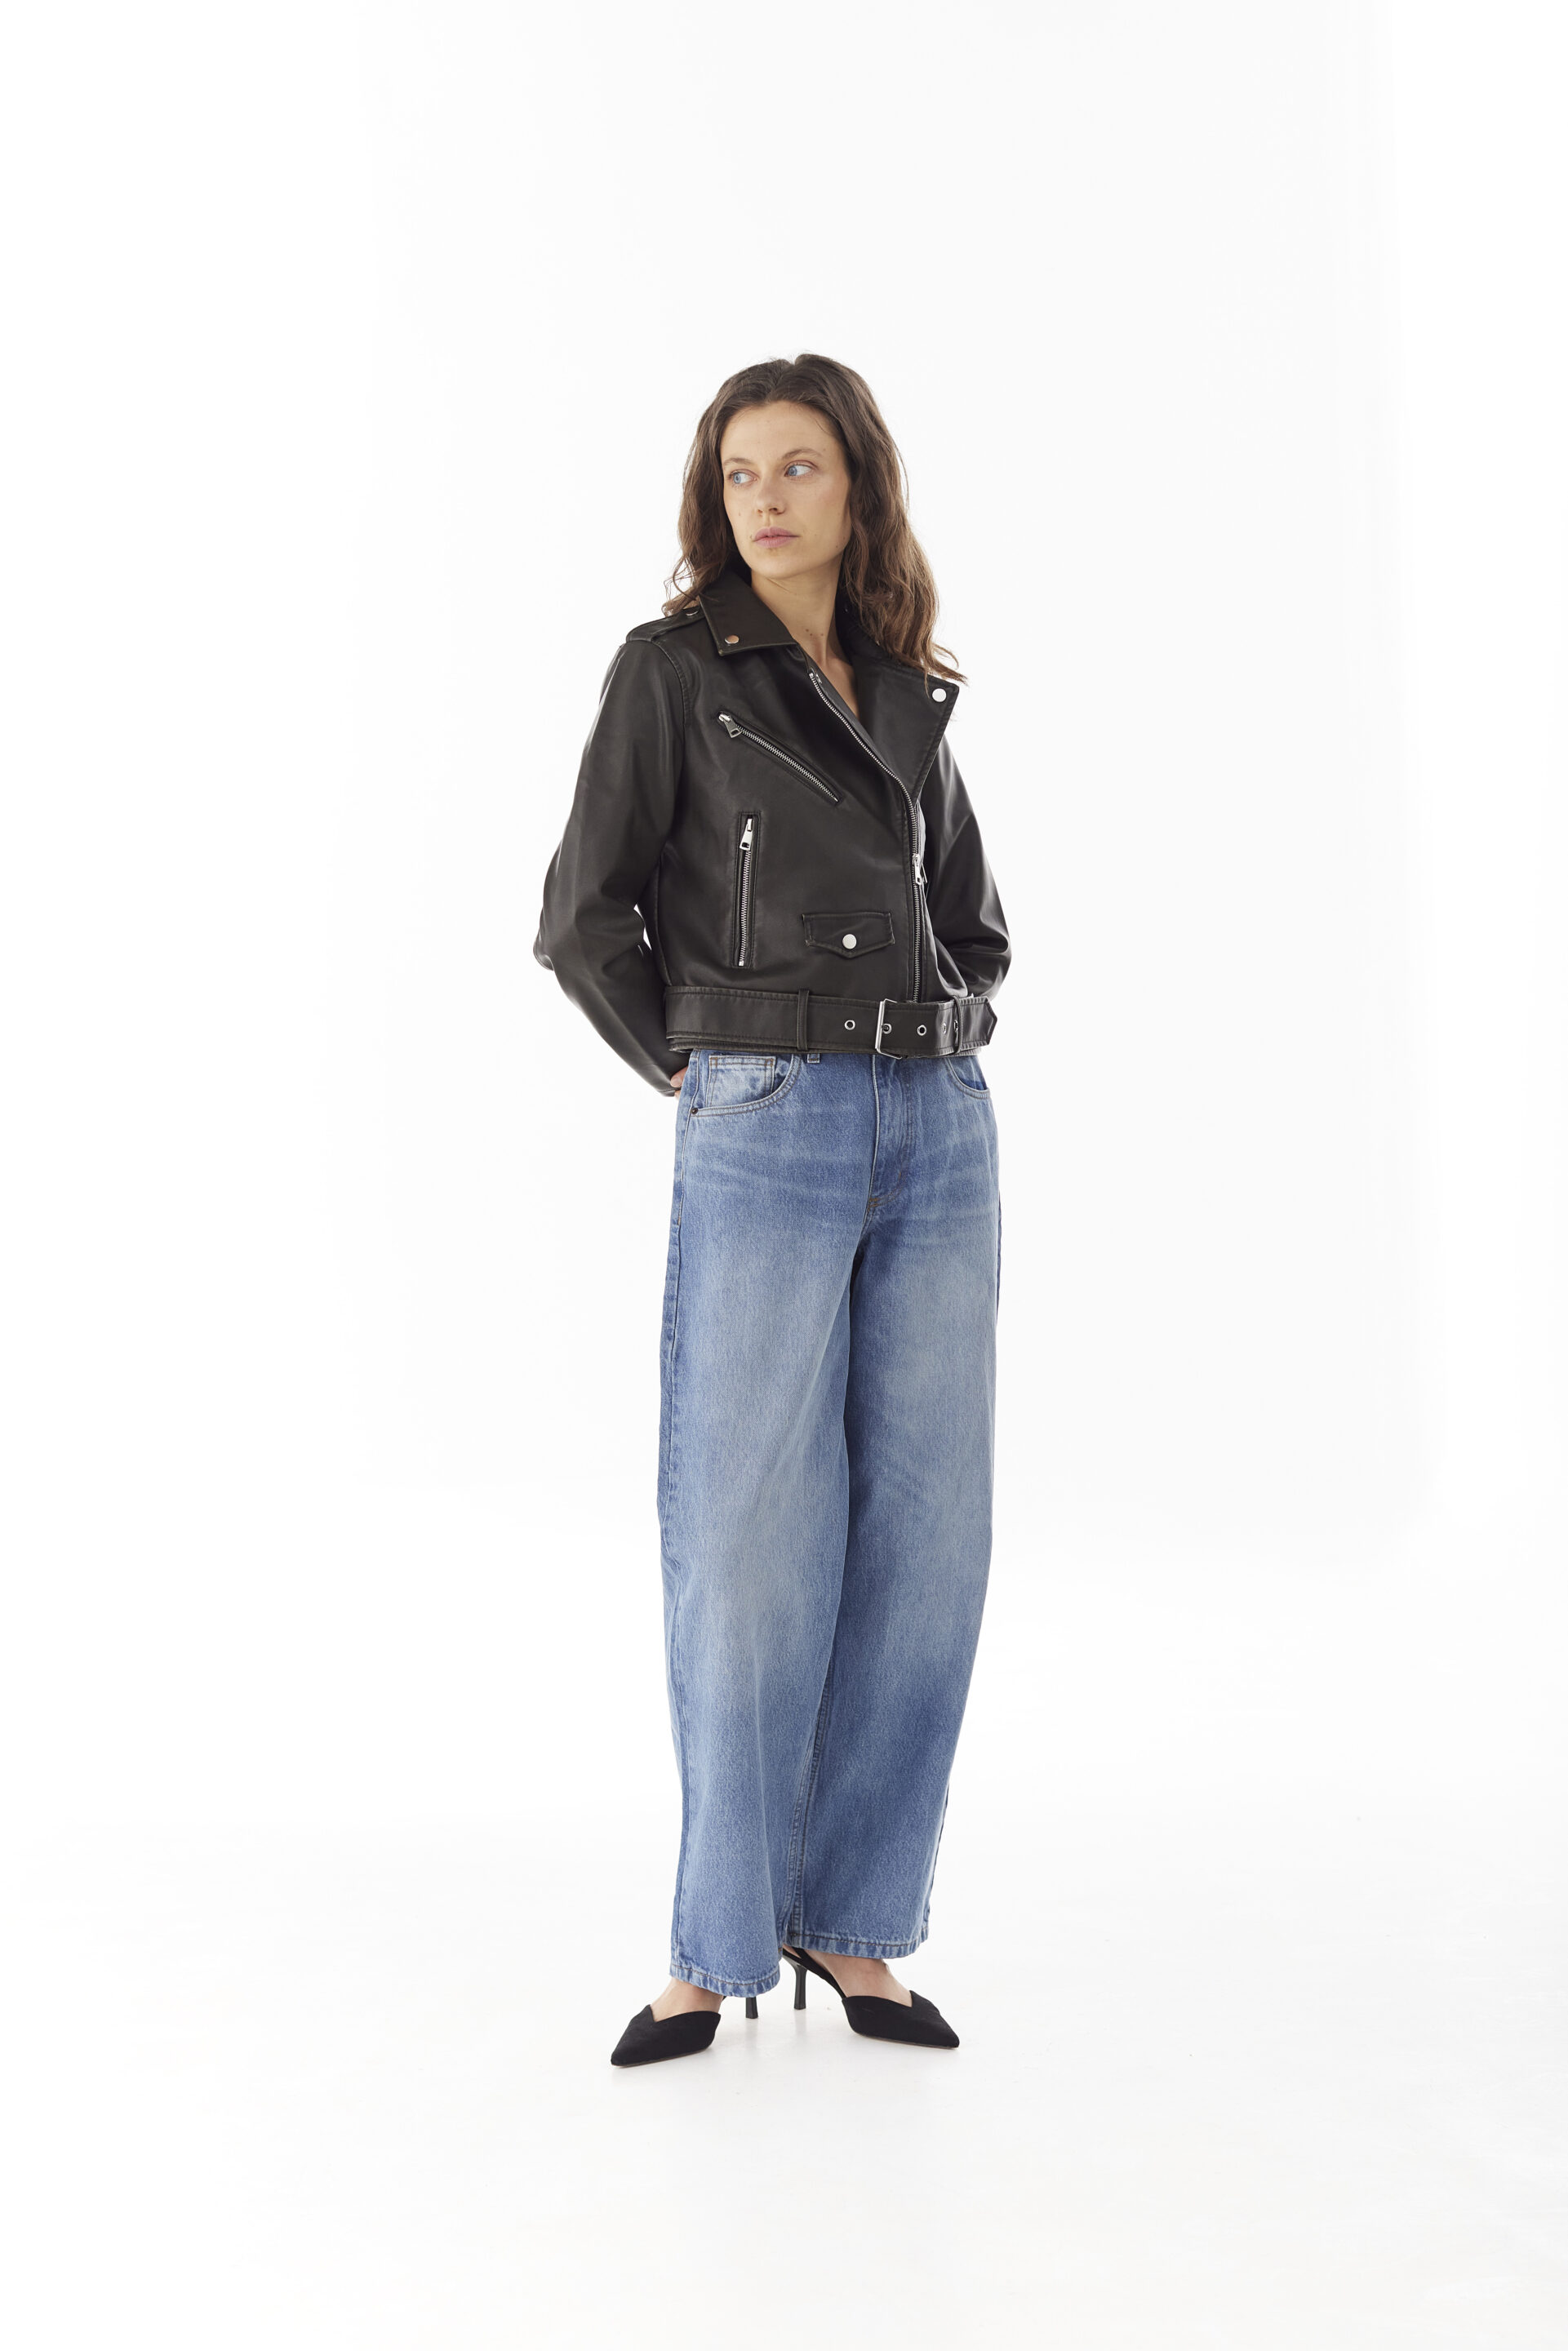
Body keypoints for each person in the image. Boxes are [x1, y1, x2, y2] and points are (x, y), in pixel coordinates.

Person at [535, 353, 1010, 2065]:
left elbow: (974, 921)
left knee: (926, 1536)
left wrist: (953, 1018)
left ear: (857, 486)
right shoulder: (674, 672)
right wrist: (702, 1062)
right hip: (769, 1114)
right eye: (740, 472)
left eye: (799, 467)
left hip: (937, 1125)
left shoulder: (905, 684)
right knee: (743, 1535)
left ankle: (854, 1925)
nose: (766, 499)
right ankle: (715, 1944)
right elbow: (581, 916)